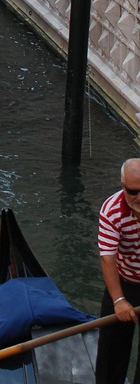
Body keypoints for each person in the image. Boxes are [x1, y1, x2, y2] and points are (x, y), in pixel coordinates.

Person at [95, 159, 140, 384]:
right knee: (112, 350)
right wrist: (119, 299)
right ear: (123, 185)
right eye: (133, 191)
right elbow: (107, 258)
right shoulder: (112, 210)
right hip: (125, 282)